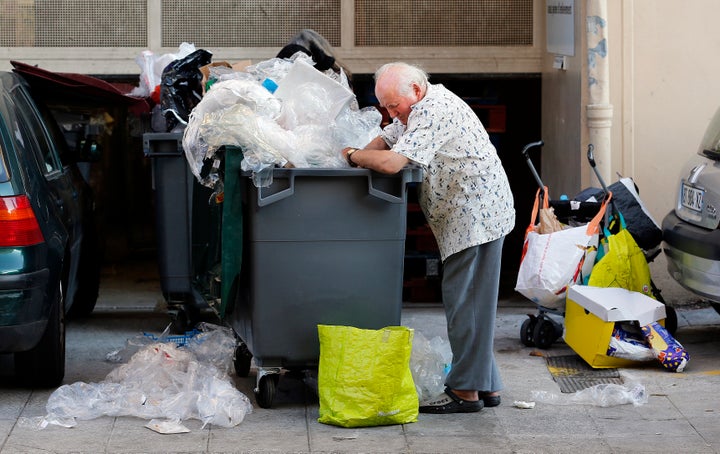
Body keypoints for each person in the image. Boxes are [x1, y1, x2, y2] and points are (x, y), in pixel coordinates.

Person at [341, 62, 515, 414]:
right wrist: (357, 154)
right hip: (470, 214)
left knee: (465, 302)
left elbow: (391, 163)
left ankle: (466, 391)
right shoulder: (413, 111)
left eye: (393, 106)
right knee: (473, 302)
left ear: (416, 92)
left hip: (476, 215)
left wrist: (353, 157)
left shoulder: (435, 111)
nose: (391, 115)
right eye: (385, 107)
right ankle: (488, 386)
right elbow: (386, 139)